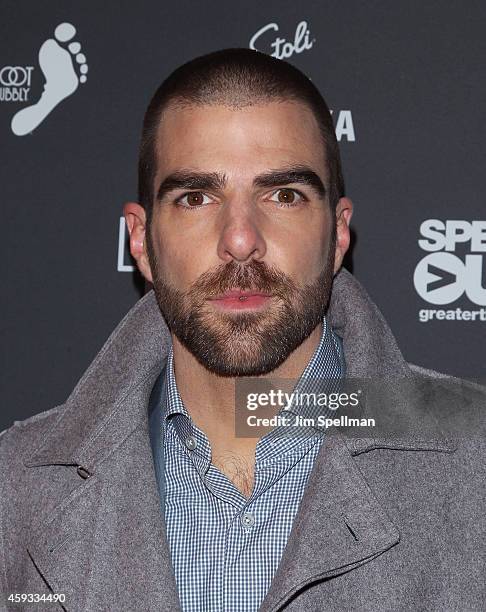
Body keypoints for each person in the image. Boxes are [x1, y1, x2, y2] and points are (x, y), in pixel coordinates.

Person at [1, 48, 485, 612]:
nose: (239, 239)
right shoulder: (15, 489)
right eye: (196, 197)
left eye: (283, 195)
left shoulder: (474, 462)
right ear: (140, 240)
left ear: (339, 234)